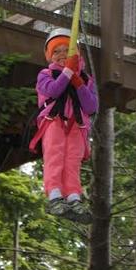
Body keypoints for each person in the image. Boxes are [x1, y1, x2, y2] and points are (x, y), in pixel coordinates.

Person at [30, 28, 98, 223]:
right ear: (50, 56)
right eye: (56, 51)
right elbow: (53, 91)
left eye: (66, 50)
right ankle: (54, 195)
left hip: (76, 125)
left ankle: (73, 197)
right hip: (54, 121)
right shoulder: (46, 74)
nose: (61, 55)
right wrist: (67, 72)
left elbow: (91, 106)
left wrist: (78, 83)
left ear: (76, 53)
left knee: (72, 161)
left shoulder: (85, 79)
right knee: (55, 156)